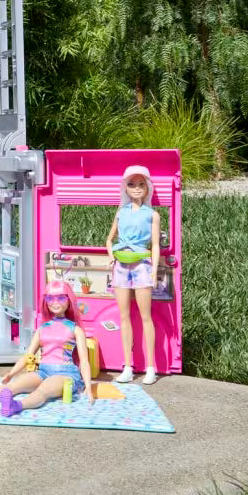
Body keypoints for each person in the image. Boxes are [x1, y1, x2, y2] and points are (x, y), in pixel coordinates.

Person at [0, 281, 94, 415]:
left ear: (69, 300)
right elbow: (28, 356)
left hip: (66, 374)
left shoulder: (75, 329)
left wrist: (88, 386)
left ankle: (16, 406)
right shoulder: (42, 329)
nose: (55, 302)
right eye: (50, 298)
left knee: (42, 391)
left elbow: (84, 361)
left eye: (61, 298)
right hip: (43, 371)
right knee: (13, 386)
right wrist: (12, 373)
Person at [105, 165, 162, 384]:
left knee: (146, 316)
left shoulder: (152, 214)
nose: (137, 188)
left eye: (141, 184)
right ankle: (127, 366)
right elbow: (109, 239)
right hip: (121, 265)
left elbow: (155, 245)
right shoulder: (121, 212)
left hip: (142, 265)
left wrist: (154, 269)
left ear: (148, 187)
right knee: (124, 316)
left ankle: (150, 367)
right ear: (125, 188)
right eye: (131, 184)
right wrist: (111, 255)